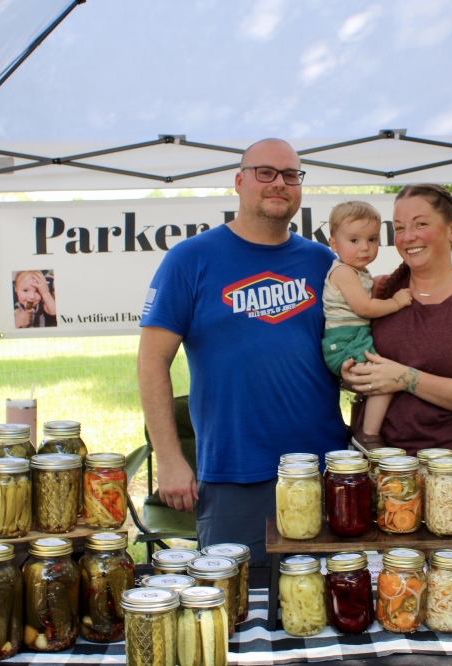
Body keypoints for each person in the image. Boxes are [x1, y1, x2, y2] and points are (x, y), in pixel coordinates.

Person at [137, 138, 346, 562]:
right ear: (239, 181)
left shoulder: (324, 262)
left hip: (322, 469)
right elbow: (152, 361)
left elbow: (348, 346)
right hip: (234, 474)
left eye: (290, 175)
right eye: (265, 173)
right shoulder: (190, 259)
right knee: (239, 609)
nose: (279, 184)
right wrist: (170, 459)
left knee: (324, 605)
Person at [342, 184, 452, 458]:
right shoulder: (378, 291)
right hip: (378, 467)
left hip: (450, 470)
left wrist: (405, 378)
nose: (408, 237)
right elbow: (346, 353)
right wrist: (350, 376)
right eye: (398, 228)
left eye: (420, 224)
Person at [321, 201, 413, 445]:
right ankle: (367, 435)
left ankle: (359, 426)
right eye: (354, 240)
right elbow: (365, 308)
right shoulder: (343, 272)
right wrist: (397, 302)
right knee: (386, 382)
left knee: (372, 385)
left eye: (372, 239)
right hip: (344, 342)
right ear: (333, 244)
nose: (365, 247)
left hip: (352, 338)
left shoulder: (357, 272)